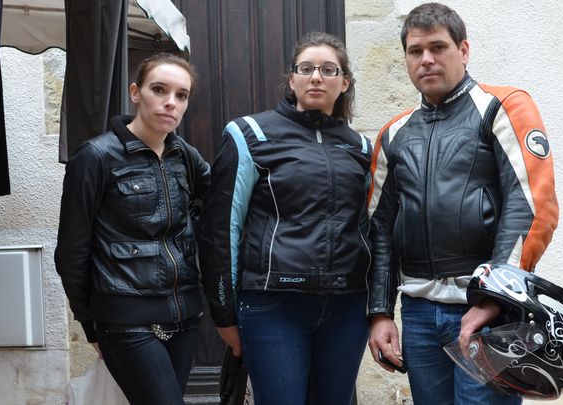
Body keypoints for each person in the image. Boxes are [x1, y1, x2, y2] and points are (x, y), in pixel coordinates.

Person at [366, 3, 558, 405]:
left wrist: (494, 298)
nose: (427, 59)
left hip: (486, 312)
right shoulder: (393, 133)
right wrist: (381, 311)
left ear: (464, 50)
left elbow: (532, 207)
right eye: (416, 51)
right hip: (417, 313)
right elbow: (379, 228)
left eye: (438, 47)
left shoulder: (502, 107)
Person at [198, 32, 372, 405]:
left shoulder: (360, 147)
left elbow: (369, 228)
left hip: (347, 307)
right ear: (291, 79)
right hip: (274, 305)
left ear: (344, 83)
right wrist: (224, 312)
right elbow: (221, 228)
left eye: (328, 70)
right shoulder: (250, 133)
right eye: (306, 68)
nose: (316, 77)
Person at [54, 53, 210, 405]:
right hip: (125, 319)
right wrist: (89, 323)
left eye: (181, 95)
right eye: (160, 89)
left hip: (184, 315)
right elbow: (71, 251)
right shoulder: (95, 157)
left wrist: (190, 230)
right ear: (136, 93)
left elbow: (218, 205)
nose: (171, 102)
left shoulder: (184, 155)